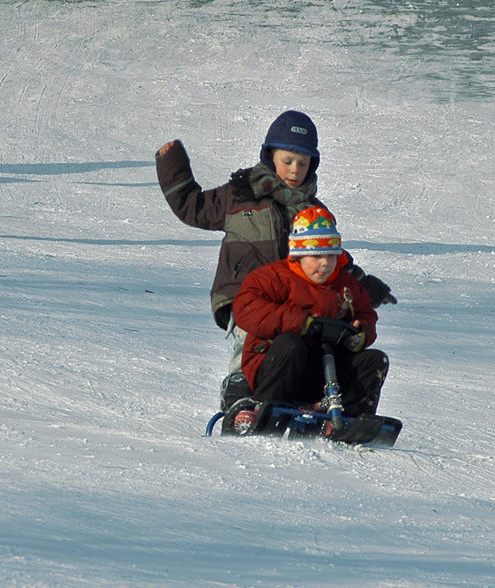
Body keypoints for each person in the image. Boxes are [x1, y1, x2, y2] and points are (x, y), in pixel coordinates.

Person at [155, 110, 395, 407]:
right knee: (251, 334)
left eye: (303, 163)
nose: (295, 170)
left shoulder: (311, 212)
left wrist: (365, 285)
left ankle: (307, 394)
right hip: (243, 292)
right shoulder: (240, 195)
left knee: (299, 344)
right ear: (270, 157)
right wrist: (172, 164)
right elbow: (193, 207)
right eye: (287, 161)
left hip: (292, 299)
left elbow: (330, 259)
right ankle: (238, 387)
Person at [231, 206, 388, 426]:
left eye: (331, 256)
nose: (325, 263)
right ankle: (263, 407)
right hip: (276, 363)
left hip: (323, 368)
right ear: (299, 254)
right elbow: (246, 307)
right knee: (292, 343)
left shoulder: (345, 284)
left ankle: (349, 419)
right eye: (316, 255)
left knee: (374, 360)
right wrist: (300, 323)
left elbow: (366, 313)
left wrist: (360, 332)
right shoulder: (275, 277)